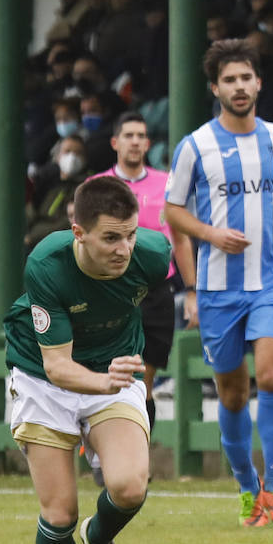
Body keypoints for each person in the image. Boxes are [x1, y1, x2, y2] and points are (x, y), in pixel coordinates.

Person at [4, 176, 172, 544]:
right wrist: (105, 380)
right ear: (79, 232)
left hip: (113, 371)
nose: (124, 248)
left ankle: (98, 541)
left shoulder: (152, 255)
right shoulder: (47, 264)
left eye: (131, 234)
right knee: (59, 513)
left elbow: (162, 300)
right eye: (111, 238)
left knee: (130, 487)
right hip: (42, 377)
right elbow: (57, 366)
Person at [164, 39, 273, 528]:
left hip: (272, 280)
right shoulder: (195, 146)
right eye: (230, 79)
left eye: (246, 77)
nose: (240, 86)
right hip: (219, 288)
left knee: (270, 376)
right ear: (215, 88)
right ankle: (248, 489)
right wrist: (210, 235)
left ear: (259, 83)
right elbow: (173, 211)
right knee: (232, 395)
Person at [96, 111, 191, 439]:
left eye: (141, 136)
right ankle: (106, 453)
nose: (135, 141)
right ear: (115, 142)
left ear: (148, 143)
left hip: (155, 290)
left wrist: (192, 291)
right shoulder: (98, 187)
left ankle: (138, 456)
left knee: (144, 381)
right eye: (128, 135)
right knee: (113, 375)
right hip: (110, 290)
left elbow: (180, 239)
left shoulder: (167, 183)